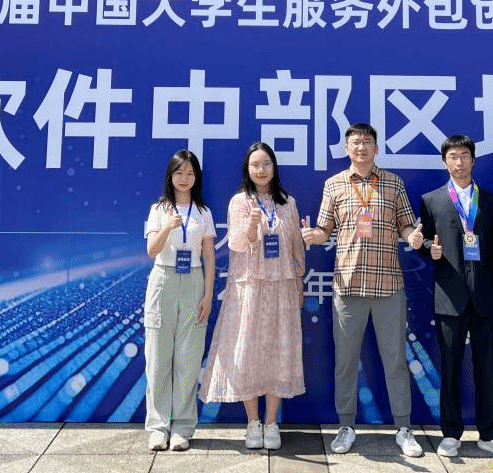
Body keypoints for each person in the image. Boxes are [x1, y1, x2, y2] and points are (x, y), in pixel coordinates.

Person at [300, 123, 424, 457]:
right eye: (355, 142)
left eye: (367, 142)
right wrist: (314, 236)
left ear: (376, 148)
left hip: (388, 286)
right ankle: (346, 426)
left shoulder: (394, 183)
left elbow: (406, 224)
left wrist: (413, 237)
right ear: (346, 148)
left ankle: (404, 428)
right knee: (346, 361)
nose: (361, 147)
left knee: (395, 360)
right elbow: (325, 229)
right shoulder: (334, 184)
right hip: (348, 286)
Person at [407, 135, 493, 458]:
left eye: (464, 155)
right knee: (451, 368)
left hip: (484, 296)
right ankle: (451, 433)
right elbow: (424, 241)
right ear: (445, 162)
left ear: (473, 160)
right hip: (449, 297)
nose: (459, 162)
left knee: (486, 367)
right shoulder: (431, 200)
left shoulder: (491, 201)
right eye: (453, 156)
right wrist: (429, 249)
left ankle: (489, 434)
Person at [200, 143, 306, 450]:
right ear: (247, 169)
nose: (261, 170)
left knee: (277, 353)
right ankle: (253, 422)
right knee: (246, 353)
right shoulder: (239, 201)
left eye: (266, 164)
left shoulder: (288, 203)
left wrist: (298, 283)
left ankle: (271, 423)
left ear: (274, 167)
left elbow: (296, 247)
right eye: (255, 165)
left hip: (281, 286)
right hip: (248, 287)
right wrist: (251, 227)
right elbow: (235, 244)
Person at [143, 149, 217, 452]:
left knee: (188, 358)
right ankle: (158, 427)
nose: (184, 178)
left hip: (194, 281)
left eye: (190, 173)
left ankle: (183, 427)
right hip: (164, 279)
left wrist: (208, 294)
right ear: (170, 176)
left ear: (196, 177)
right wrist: (167, 227)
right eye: (179, 173)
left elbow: (209, 257)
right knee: (158, 357)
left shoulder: (203, 212)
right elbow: (151, 250)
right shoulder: (159, 209)